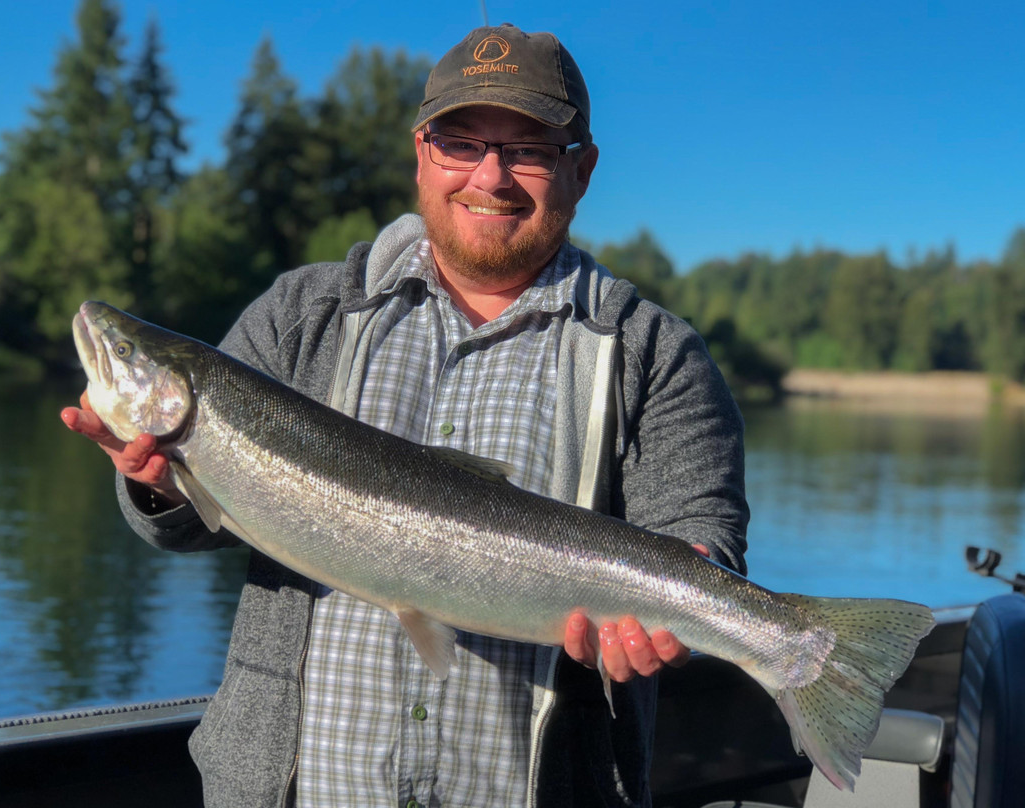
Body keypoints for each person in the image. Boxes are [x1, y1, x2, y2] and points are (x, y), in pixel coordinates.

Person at [62, 23, 748, 808]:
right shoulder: (299, 313)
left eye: (528, 148)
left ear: (582, 169)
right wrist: (157, 483)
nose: (490, 176)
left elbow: (706, 540)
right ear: (423, 153)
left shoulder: (655, 352)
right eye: (462, 142)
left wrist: (681, 611)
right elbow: (178, 526)